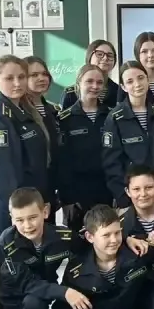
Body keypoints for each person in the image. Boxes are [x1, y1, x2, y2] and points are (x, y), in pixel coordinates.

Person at [0, 55, 51, 264]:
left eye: (21, 77)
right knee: (10, 271)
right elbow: (5, 173)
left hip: (26, 204)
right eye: (9, 78)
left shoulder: (21, 108)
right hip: (10, 207)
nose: (17, 83)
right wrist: (20, 215)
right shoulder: (0, 118)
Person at [101, 61, 154, 208]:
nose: (137, 84)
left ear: (147, 79)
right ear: (123, 87)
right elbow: (111, 164)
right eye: (130, 81)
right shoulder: (115, 118)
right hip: (134, 196)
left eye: (140, 78)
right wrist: (123, 199)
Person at [56, 64, 114, 217]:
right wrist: (66, 199)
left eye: (99, 82)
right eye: (89, 81)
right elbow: (62, 161)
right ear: (79, 83)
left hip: (107, 191)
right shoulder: (65, 118)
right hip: (77, 195)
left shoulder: (111, 116)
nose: (95, 86)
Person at [24, 56, 63, 196]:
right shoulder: (19, 112)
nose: (41, 78)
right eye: (34, 75)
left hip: (50, 183)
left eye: (44, 74)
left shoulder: (52, 110)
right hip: (29, 187)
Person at [63, 40, 120, 109]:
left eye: (110, 55)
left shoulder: (119, 91)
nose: (105, 58)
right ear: (89, 56)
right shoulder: (71, 93)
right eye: (99, 54)